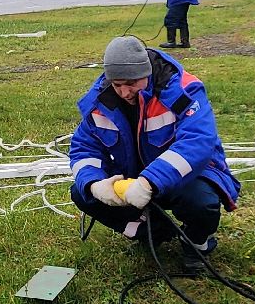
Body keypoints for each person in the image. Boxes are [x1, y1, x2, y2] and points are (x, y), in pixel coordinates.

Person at [68, 35, 239, 272]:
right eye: (117, 85)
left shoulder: (182, 90)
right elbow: (83, 148)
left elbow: (198, 141)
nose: (125, 92)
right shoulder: (100, 101)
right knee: (81, 192)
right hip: (135, 179)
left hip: (182, 178)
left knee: (200, 201)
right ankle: (154, 231)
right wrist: (95, 184)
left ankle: (197, 245)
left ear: (146, 74)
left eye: (132, 84)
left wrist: (150, 182)